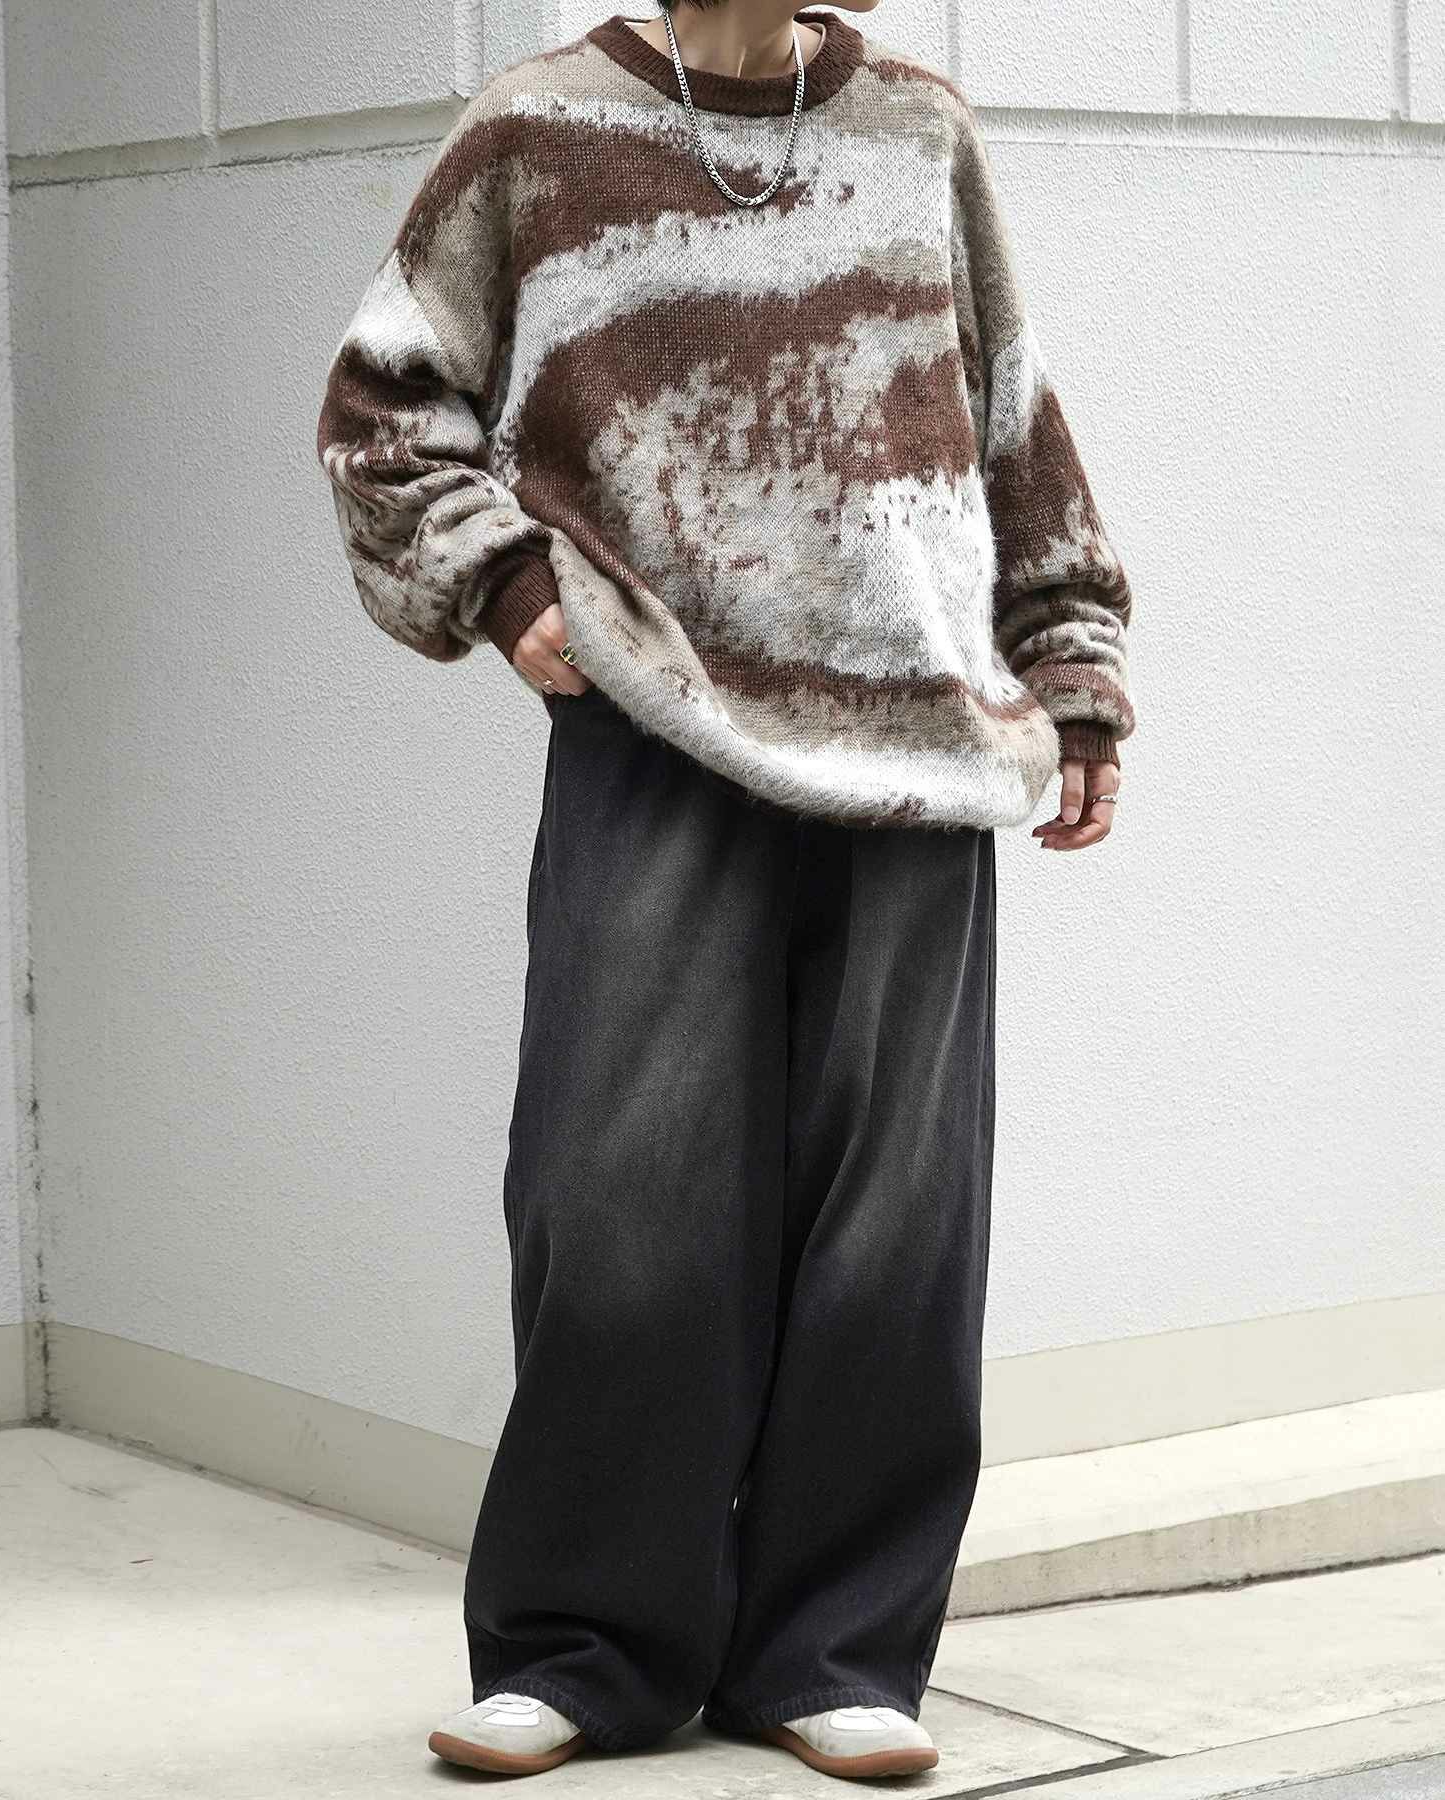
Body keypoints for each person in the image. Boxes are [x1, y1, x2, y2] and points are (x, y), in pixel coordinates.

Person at [316, 0, 1134, 1780]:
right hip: (655, 735)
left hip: (916, 753)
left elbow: (1011, 418)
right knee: (617, 1205)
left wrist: (1070, 663)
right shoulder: (537, 132)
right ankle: (587, 1650)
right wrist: (505, 586)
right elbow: (385, 406)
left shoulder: (919, 133)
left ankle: (832, 1652)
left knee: (894, 1227)